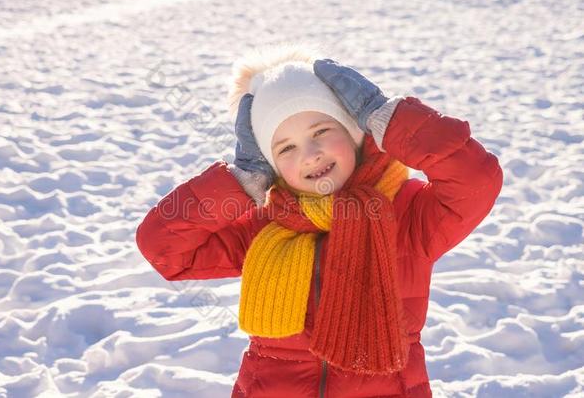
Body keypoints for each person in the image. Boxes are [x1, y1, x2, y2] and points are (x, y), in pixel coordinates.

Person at [135, 43, 503, 398]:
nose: (310, 155)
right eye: (286, 148)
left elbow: (475, 180)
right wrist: (240, 182)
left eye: (321, 132)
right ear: (270, 165)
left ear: (356, 134)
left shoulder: (405, 214)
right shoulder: (264, 226)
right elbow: (165, 249)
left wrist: (389, 119)